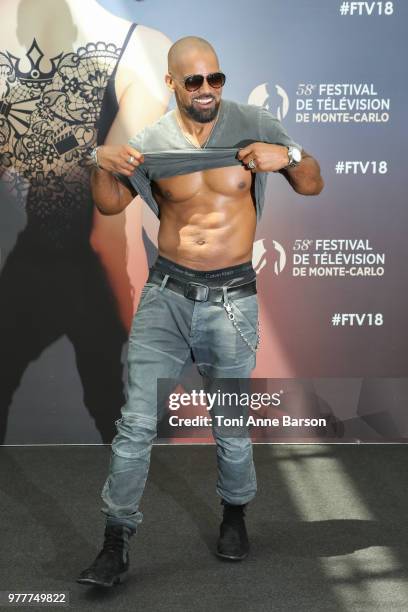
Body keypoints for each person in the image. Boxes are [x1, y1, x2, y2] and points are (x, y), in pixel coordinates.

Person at [77, 35, 323, 587]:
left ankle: (234, 513)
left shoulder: (254, 121)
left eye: (216, 78)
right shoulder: (152, 140)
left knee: (231, 423)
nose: (208, 89)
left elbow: (311, 185)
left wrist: (291, 156)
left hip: (232, 300)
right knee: (136, 424)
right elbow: (110, 203)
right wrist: (99, 161)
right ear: (172, 84)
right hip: (166, 296)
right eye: (195, 81)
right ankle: (115, 542)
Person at [0, 0, 171, 444]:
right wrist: (127, 304)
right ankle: (125, 508)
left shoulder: (145, 49)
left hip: (28, 263)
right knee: (113, 403)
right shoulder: (145, 49)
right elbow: (112, 220)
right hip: (88, 268)